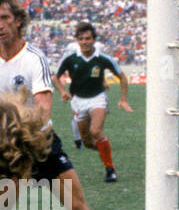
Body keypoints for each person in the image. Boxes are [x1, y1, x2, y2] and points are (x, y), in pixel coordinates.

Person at [0, 0, 115, 210]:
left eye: (5, 18)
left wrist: (17, 133)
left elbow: (43, 110)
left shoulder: (33, 58)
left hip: (39, 144)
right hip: (4, 146)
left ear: (18, 22)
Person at [56, 22, 132, 182]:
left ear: (93, 40)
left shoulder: (103, 58)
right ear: (77, 40)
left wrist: (123, 99)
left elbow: (122, 77)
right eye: (81, 39)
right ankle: (105, 150)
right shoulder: (70, 58)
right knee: (88, 142)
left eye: (88, 38)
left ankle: (110, 170)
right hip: (78, 100)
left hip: (98, 98)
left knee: (96, 131)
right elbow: (55, 76)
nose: (84, 42)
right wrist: (63, 91)